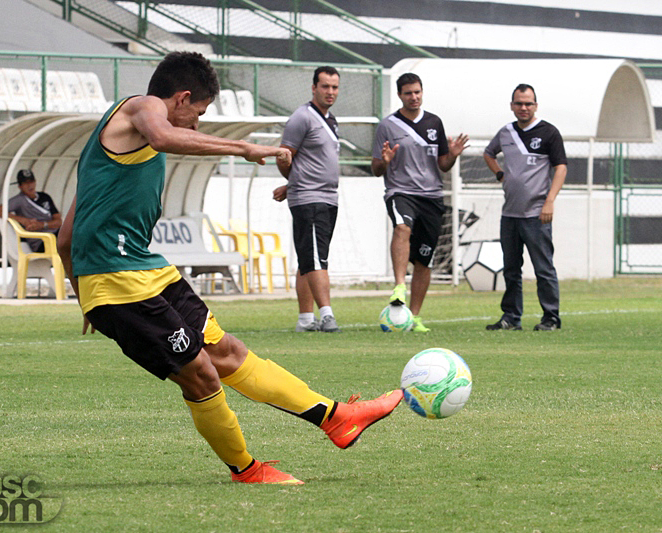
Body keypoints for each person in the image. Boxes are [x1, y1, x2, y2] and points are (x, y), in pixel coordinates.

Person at [56, 52, 402, 486]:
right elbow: (162, 136)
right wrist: (244, 148)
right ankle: (247, 470)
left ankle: (337, 418)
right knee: (200, 374)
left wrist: (84, 296)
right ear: (182, 98)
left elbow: (66, 238)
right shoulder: (142, 107)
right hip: (117, 280)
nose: (196, 124)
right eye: (199, 114)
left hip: (144, 272)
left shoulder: (112, 149)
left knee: (228, 353)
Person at [371, 72, 469, 333]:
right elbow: (376, 169)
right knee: (402, 227)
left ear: (422, 92)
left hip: (432, 197)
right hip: (400, 192)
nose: (413, 97)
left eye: (417, 92)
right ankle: (399, 286)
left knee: (425, 260)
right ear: (399, 95)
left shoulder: (434, 122)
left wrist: (453, 155)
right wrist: (385, 161)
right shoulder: (388, 125)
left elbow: (443, 165)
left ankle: (413, 317)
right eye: (408, 93)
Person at [483, 83, 568, 331]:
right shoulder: (506, 132)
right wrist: (500, 174)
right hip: (509, 213)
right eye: (519, 103)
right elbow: (488, 154)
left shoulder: (549, 132)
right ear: (512, 105)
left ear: (536, 105)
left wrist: (549, 201)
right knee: (511, 269)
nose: (524, 107)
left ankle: (551, 317)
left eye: (528, 103)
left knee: (543, 268)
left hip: (536, 214)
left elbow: (561, 168)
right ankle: (511, 317)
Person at [273, 66, 342, 333]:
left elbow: (311, 161)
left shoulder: (331, 120)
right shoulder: (302, 117)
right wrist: (296, 184)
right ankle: (327, 315)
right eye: (325, 86)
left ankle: (305, 320)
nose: (330, 92)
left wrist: (291, 184)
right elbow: (284, 156)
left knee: (308, 258)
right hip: (310, 198)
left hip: (328, 196)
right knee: (316, 258)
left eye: (334, 87)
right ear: (314, 88)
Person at [0, 169, 62, 253]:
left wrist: (42, 225)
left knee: (73, 233)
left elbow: (59, 221)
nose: (29, 185)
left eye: (31, 181)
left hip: (56, 234)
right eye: (25, 183)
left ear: (35, 182)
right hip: (41, 241)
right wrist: (22, 220)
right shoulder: (20, 200)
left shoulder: (45, 197)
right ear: (20, 186)